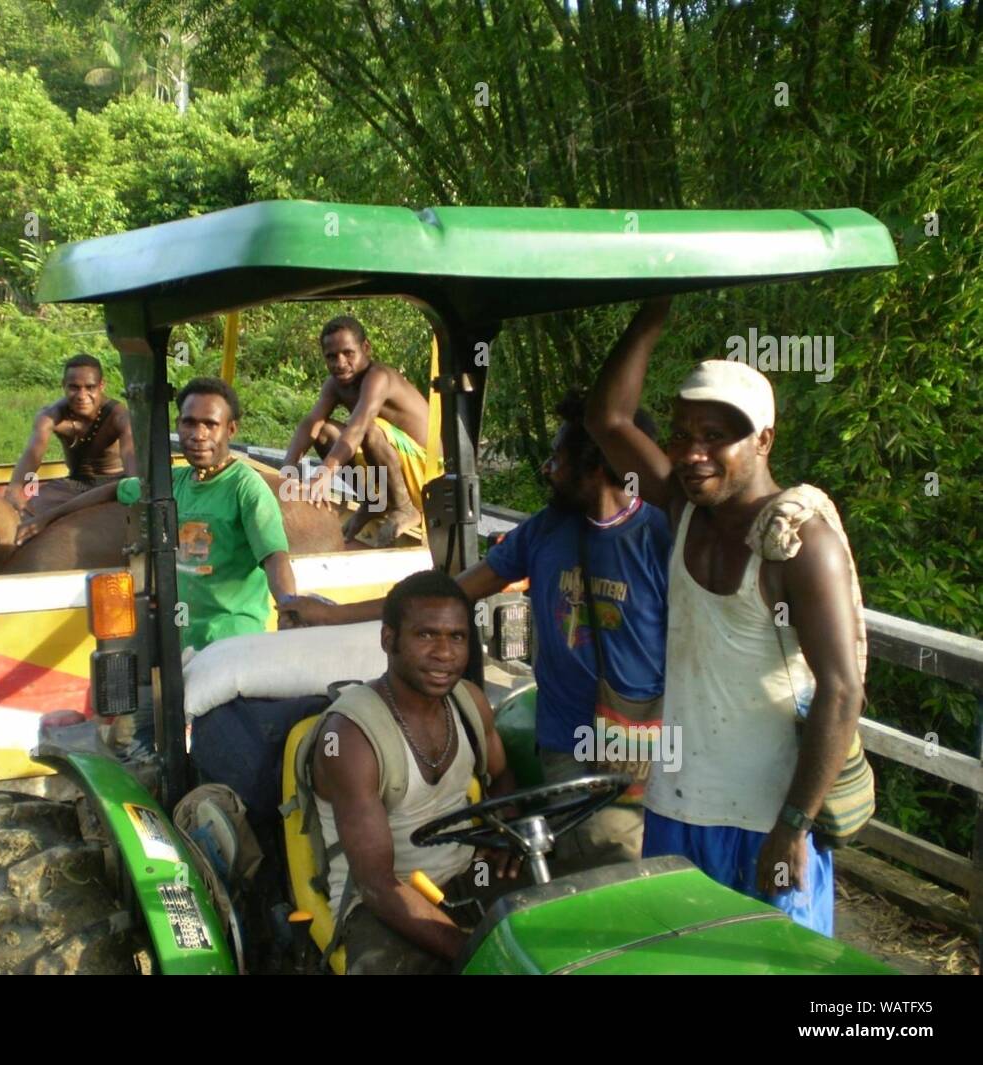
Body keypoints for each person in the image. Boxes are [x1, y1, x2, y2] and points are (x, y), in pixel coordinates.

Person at [284, 393, 671, 874]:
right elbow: (449, 596)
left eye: (558, 458)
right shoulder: (545, 532)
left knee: (643, 866)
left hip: (647, 741)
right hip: (566, 742)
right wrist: (334, 614)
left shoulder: (662, 537)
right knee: (598, 859)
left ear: (594, 467)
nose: (548, 469)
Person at [584, 296, 866, 936]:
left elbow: (843, 691)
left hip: (766, 822)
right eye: (683, 435)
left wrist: (794, 827)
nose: (691, 453)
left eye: (717, 437)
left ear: (764, 440)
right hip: (678, 809)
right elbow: (608, 418)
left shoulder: (801, 544)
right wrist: (661, 300)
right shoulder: (684, 514)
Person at [312, 570, 521, 974]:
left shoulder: (469, 702)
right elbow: (376, 883)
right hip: (382, 902)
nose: (445, 653)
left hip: (468, 871)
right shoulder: (350, 737)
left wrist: (503, 830)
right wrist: (475, 952)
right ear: (389, 640)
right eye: (426, 636)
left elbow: (502, 778)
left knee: (569, 921)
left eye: (456, 637)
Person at [281, 316, 434, 546]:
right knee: (325, 431)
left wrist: (324, 474)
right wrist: (287, 471)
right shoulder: (334, 385)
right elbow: (310, 423)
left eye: (348, 353)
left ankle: (404, 508)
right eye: (331, 357)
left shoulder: (378, 378)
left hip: (428, 473)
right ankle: (374, 501)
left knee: (369, 429)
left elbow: (358, 429)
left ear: (366, 349)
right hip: (394, 468)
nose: (340, 363)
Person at [172, 377, 298, 651]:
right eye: (189, 423)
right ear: (177, 425)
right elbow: (121, 489)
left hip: (232, 644)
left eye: (210, 424)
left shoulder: (246, 487)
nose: (198, 434)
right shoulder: (174, 481)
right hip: (182, 641)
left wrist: (289, 612)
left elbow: (275, 558)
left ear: (230, 430)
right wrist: (56, 512)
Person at [5, 354, 136, 525]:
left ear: (101, 386)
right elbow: (33, 455)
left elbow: (132, 459)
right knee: (32, 510)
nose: (82, 395)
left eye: (90, 387)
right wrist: (16, 488)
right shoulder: (51, 416)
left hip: (112, 483)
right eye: (74, 387)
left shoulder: (118, 416)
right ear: (64, 386)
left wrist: (134, 488)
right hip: (75, 483)